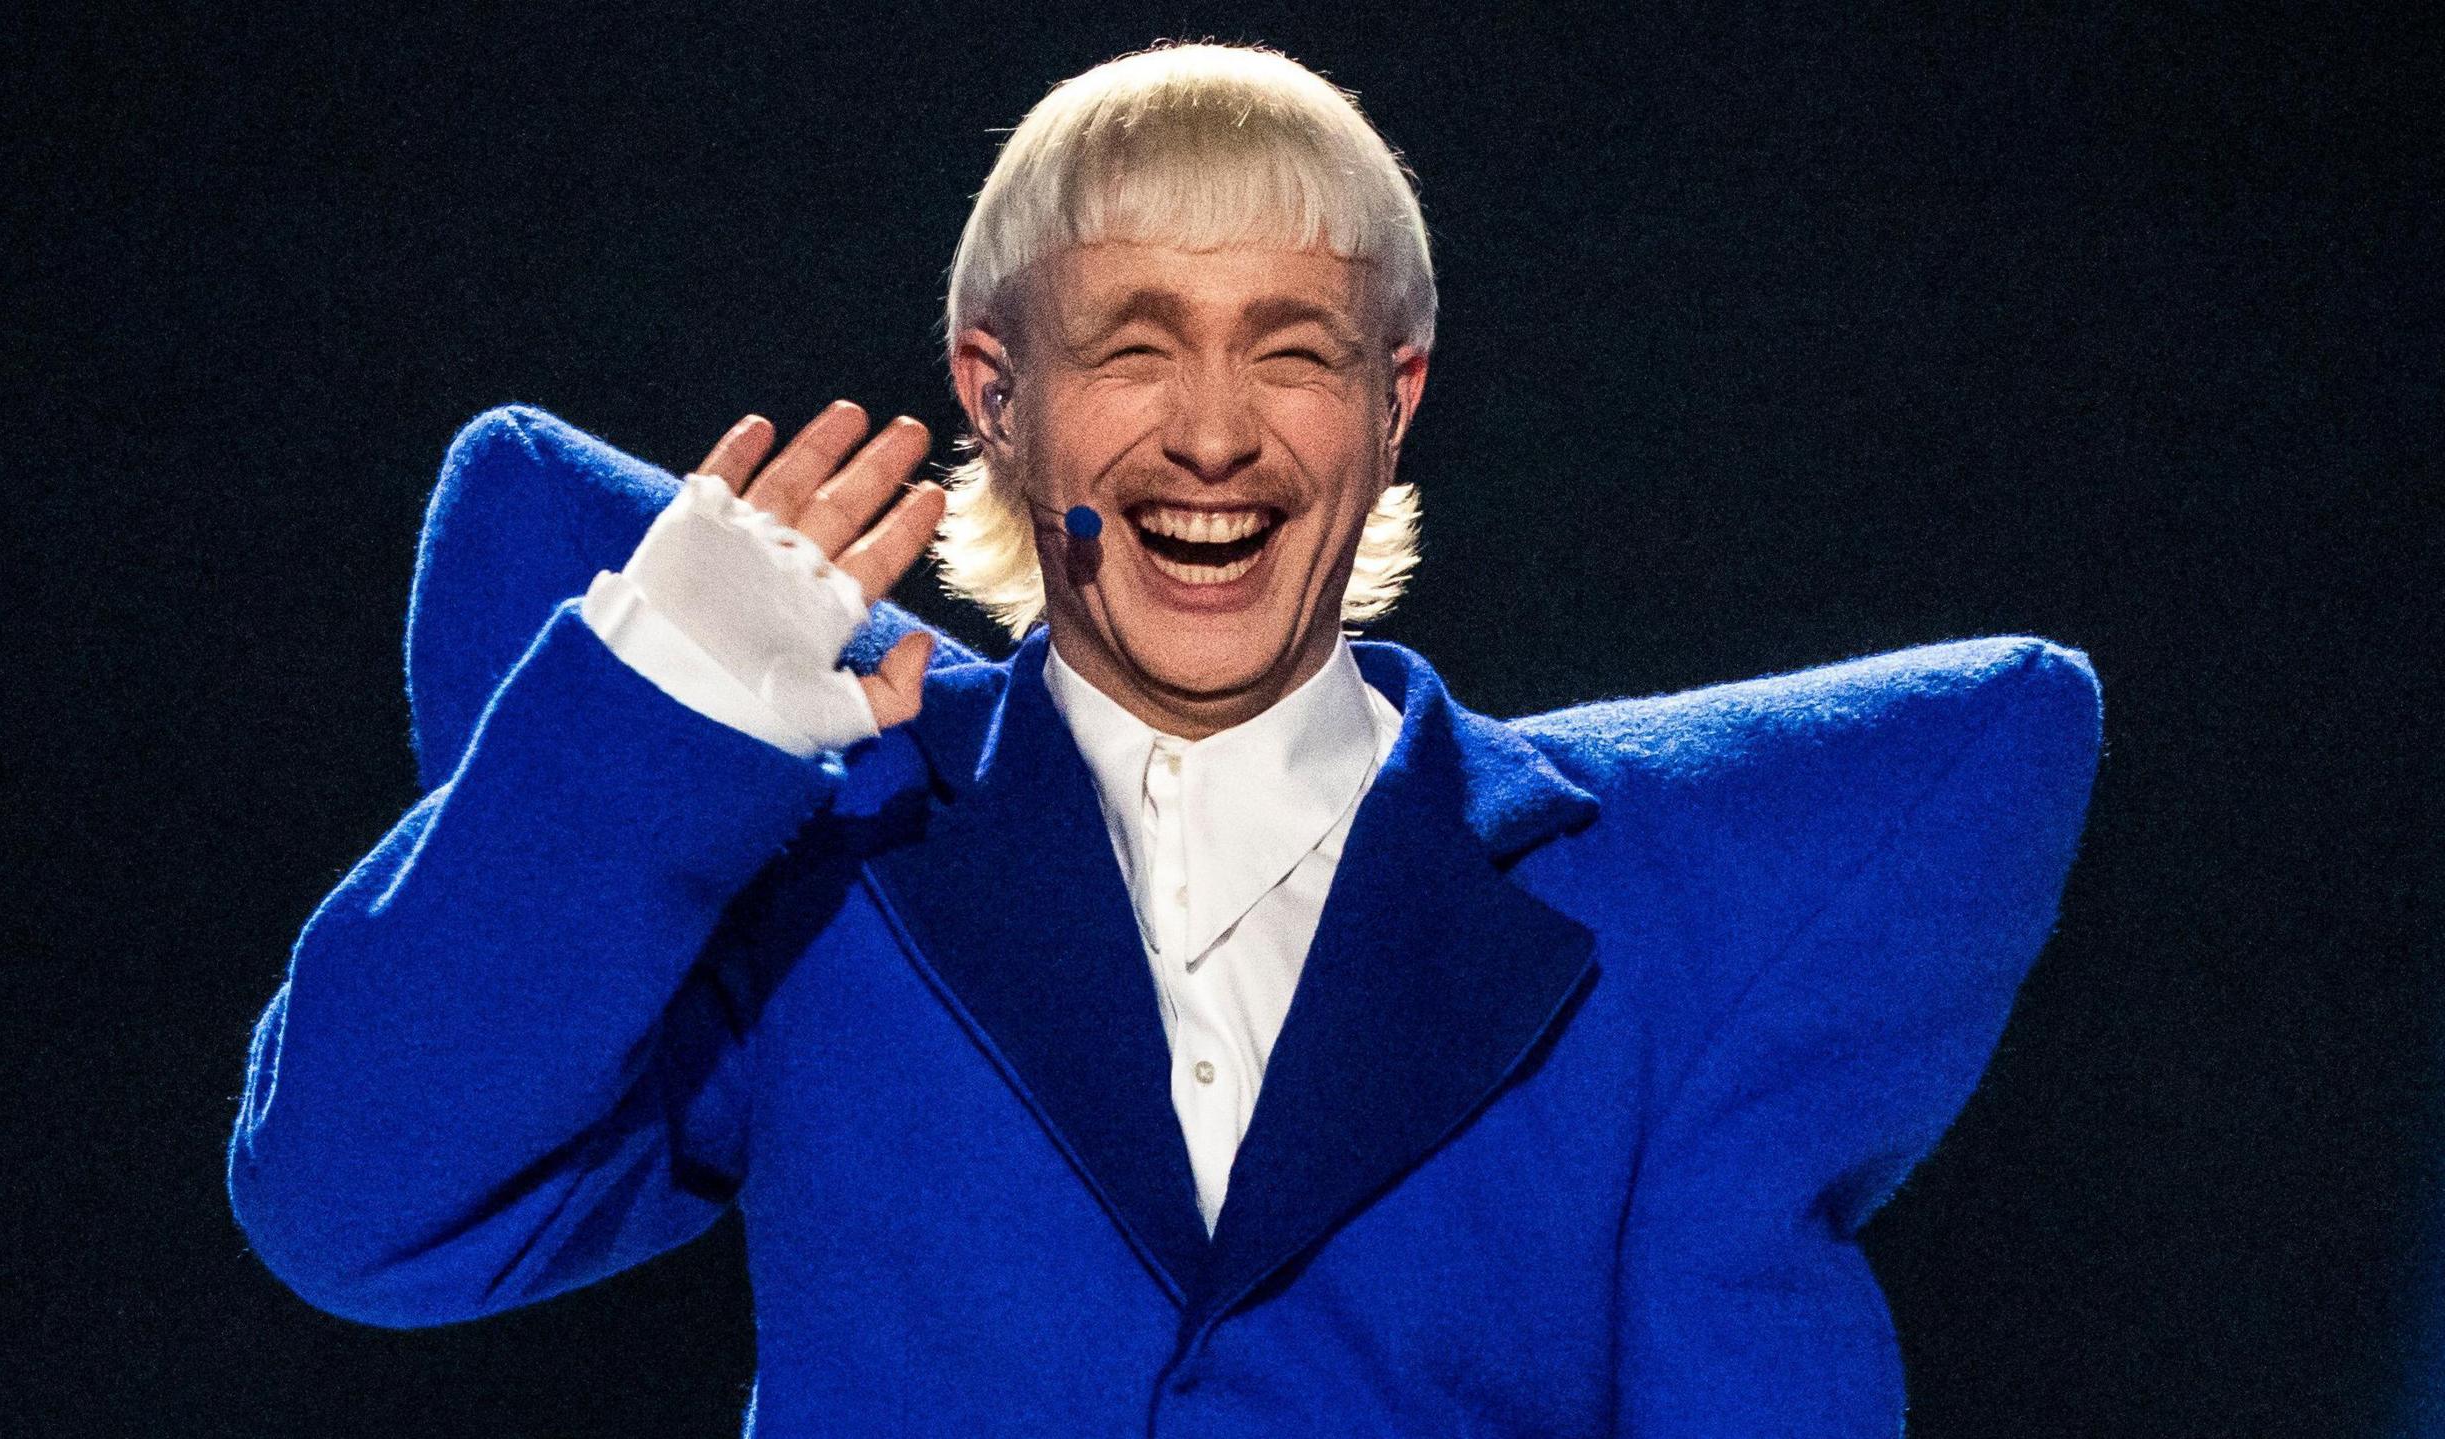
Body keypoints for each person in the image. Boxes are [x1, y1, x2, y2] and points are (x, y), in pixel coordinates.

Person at [227, 41, 2103, 1437]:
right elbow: (360, 1216)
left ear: (1393, 406)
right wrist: (660, 717)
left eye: (1289, 348)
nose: (1213, 432)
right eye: (1133, 344)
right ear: (998, 397)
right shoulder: (830, 862)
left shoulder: (1652, 934)